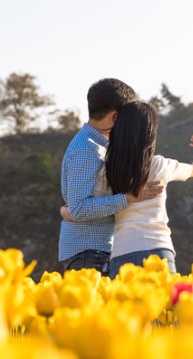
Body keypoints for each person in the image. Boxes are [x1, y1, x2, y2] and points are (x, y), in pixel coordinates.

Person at [64, 101, 193, 277]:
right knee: (163, 305)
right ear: (150, 134)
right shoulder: (160, 165)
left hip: (122, 253)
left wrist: (64, 211)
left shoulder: (107, 171)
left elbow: (87, 209)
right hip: (159, 251)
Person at [58, 78, 163, 273]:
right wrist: (129, 198)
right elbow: (79, 208)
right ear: (115, 117)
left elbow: (73, 207)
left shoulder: (96, 145)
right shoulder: (87, 150)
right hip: (88, 252)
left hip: (94, 251)